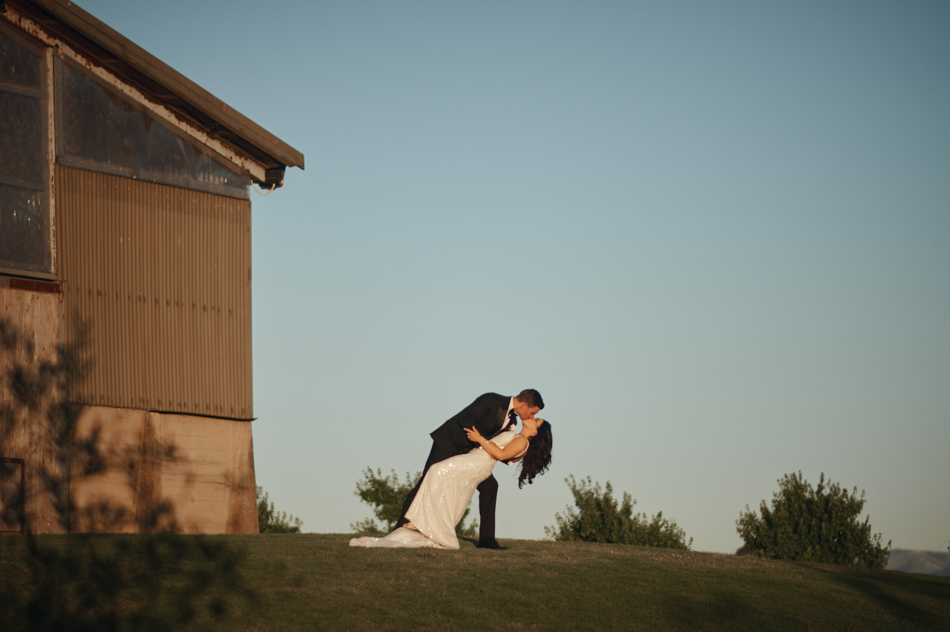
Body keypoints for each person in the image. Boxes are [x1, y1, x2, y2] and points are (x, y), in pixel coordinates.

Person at [350, 415, 553, 549]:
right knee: (445, 485)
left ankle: (428, 524)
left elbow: (500, 454)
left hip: (478, 462)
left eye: (537, 421)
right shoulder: (517, 436)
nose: (534, 418)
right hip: (477, 460)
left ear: (536, 432)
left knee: (437, 472)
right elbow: (507, 455)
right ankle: (422, 521)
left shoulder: (523, 441)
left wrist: (479, 438)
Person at [396, 389, 543, 549]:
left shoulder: (511, 422)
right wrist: (483, 441)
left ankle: (487, 540)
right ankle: (400, 527)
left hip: (471, 457)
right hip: (450, 443)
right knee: (426, 480)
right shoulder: (491, 399)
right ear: (523, 405)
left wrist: (511, 457)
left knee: (490, 487)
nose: (532, 417)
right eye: (532, 412)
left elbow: (499, 447)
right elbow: (466, 420)